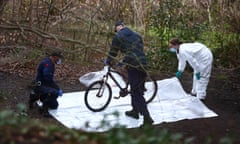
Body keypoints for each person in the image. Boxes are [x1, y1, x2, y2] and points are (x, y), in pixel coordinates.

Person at [105, 20, 154, 126]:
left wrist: (108, 61)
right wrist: (124, 60)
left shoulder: (118, 36)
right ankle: (135, 111)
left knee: (137, 93)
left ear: (118, 27)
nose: (116, 31)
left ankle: (147, 118)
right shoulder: (137, 35)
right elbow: (137, 50)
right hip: (142, 63)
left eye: (116, 29)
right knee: (134, 88)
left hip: (133, 65)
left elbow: (113, 51)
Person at [29, 51, 64, 117]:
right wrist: (57, 89)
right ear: (55, 57)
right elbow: (48, 79)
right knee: (54, 92)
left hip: (44, 84)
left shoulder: (50, 63)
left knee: (54, 106)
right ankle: (43, 110)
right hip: (41, 85)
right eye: (59, 58)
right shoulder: (47, 64)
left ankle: (40, 97)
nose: (59, 60)